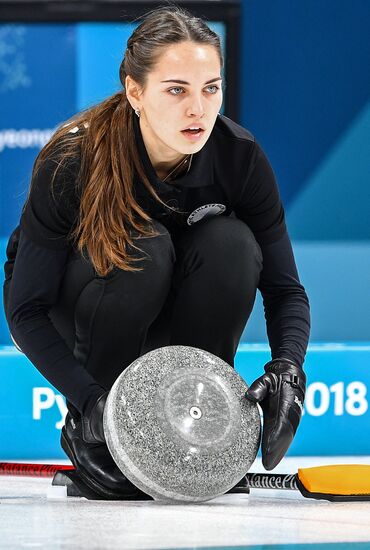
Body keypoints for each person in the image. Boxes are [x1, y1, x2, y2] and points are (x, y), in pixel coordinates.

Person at [2, 5, 309, 499]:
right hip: (83, 310)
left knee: (231, 245)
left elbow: (285, 289)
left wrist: (289, 372)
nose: (198, 109)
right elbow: (25, 309)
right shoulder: (72, 159)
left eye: (211, 88)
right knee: (146, 246)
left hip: (170, 302)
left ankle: (198, 419)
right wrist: (90, 401)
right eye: (177, 89)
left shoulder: (240, 157)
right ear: (134, 92)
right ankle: (94, 437)